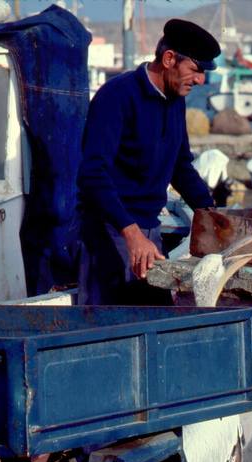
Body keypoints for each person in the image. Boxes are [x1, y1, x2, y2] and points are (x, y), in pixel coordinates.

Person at [76, 19, 221, 306]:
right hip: (111, 230)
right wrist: (131, 234)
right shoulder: (117, 96)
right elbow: (93, 172)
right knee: (107, 325)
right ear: (169, 59)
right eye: (195, 69)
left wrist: (213, 214)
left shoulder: (175, 99)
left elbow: (181, 166)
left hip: (149, 231)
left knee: (155, 316)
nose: (201, 80)